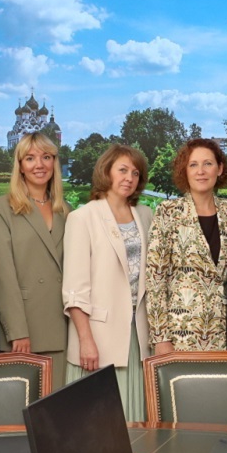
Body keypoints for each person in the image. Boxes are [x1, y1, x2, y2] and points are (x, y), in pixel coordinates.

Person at [63, 144, 154, 421]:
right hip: (98, 339)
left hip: (138, 336)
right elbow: (74, 289)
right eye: (122, 170)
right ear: (106, 172)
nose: (129, 178)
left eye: (135, 173)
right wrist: (85, 341)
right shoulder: (82, 217)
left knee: (137, 426)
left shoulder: (146, 215)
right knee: (98, 428)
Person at [146, 138, 227, 355]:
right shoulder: (168, 211)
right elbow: (156, 278)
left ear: (219, 169)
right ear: (185, 171)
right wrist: (161, 338)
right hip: (180, 336)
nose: (201, 171)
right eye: (193, 164)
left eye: (208, 164)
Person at [0, 131, 70, 386]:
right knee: (22, 418)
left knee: (59, 415)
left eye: (46, 157)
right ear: (20, 166)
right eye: (31, 158)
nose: (40, 165)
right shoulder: (1, 208)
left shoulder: (66, 210)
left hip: (62, 327)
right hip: (24, 331)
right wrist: (17, 332)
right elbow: (4, 274)